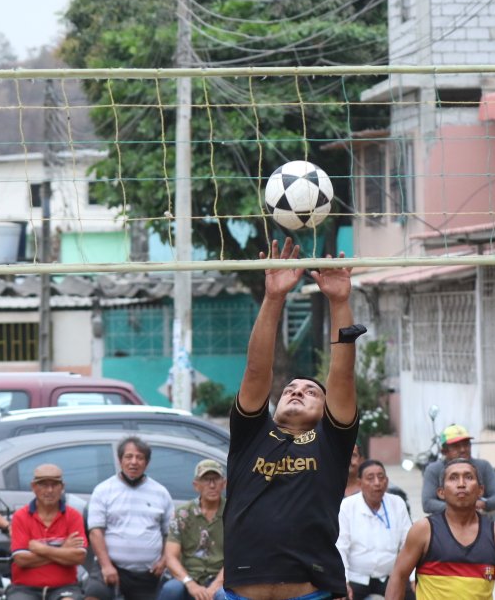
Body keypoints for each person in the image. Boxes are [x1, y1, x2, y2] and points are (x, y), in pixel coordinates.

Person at [222, 238, 358, 600]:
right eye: (290, 389)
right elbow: (256, 371)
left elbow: (342, 375)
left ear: (326, 409)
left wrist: (340, 301)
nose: (297, 391)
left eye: (311, 391)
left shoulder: (332, 442)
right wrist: (274, 297)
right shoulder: (252, 434)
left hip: (310, 592)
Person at [385, 458, 495, 600]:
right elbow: (399, 576)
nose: (462, 484)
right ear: (441, 492)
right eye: (453, 478)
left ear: (480, 490)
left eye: (468, 477)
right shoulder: (424, 530)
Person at [87, 436, 174, 600]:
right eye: (129, 457)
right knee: (93, 596)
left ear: (146, 463)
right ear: (120, 460)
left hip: (148, 574)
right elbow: (95, 532)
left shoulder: (161, 492)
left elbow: (171, 534)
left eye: (139, 457)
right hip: (110, 568)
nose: (134, 462)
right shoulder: (103, 490)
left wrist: (164, 561)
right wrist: (106, 566)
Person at [7, 464, 88, 600]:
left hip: (65, 587)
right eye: (43, 485)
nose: (49, 490)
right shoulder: (20, 516)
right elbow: (21, 559)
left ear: (62, 487)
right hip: (24, 589)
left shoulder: (74, 516)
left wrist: (41, 549)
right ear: (33, 487)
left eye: (55, 485)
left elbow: (78, 557)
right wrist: (63, 550)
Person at [336, 460, 412, 600]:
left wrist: (412, 578)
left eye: (381, 477)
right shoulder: (347, 506)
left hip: (390, 577)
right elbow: (341, 548)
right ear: (360, 484)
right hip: (356, 578)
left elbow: (408, 545)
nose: (377, 483)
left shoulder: (397, 503)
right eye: (370, 478)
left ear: (387, 481)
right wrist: (343, 582)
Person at [159, 460, 227, 600]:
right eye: (206, 480)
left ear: (224, 483)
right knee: (171, 590)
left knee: (223, 595)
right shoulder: (183, 513)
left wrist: (216, 585)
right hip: (189, 576)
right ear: (196, 485)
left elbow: (238, 557)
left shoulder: (233, 513)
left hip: (222, 577)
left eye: (216, 479)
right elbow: (171, 557)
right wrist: (189, 583)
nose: (212, 485)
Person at [420, 425, 495, 516]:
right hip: (445, 523)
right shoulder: (433, 470)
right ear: (444, 451)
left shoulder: (483, 466)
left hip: (481, 520)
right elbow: (427, 503)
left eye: (466, 444)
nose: (463, 449)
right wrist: (461, 508)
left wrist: (483, 504)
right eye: (456, 446)